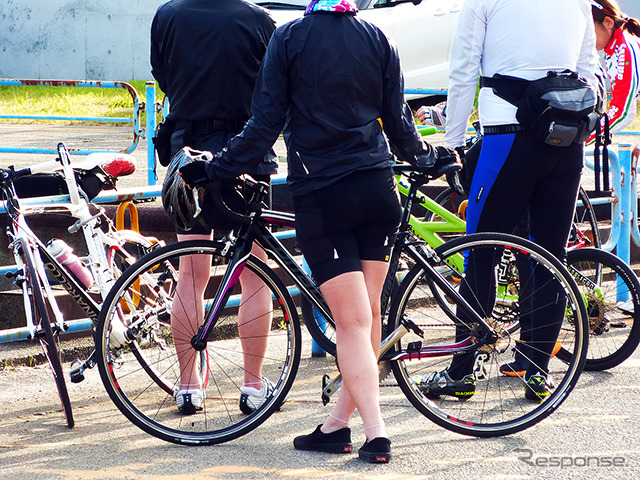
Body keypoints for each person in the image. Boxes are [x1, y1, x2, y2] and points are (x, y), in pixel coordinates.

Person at [178, 0, 458, 463]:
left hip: (325, 194)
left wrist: (217, 168)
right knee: (365, 318)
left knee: (351, 322)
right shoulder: (377, 36)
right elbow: (400, 122)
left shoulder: (289, 38)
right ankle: (336, 426)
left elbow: (264, 124)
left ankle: (377, 433)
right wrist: (428, 157)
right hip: (377, 188)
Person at [418, 0, 600, 402]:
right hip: (566, 138)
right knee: (550, 256)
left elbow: (463, 74)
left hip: (507, 136)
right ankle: (538, 372)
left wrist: (451, 144)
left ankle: (462, 371)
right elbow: (590, 71)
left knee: (479, 251)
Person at [150, 0, 277, 415]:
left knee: (191, 270)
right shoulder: (258, 19)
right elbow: (274, 85)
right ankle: (253, 387)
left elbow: (162, 76)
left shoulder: (168, 16)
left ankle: (188, 386)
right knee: (255, 273)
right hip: (247, 153)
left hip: (189, 153)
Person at [589, 0, 640, 141]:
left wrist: (583, 139)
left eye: (588, 29)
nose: (585, 37)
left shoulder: (624, 48)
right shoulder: (615, 46)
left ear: (608, 23)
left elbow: (622, 112)